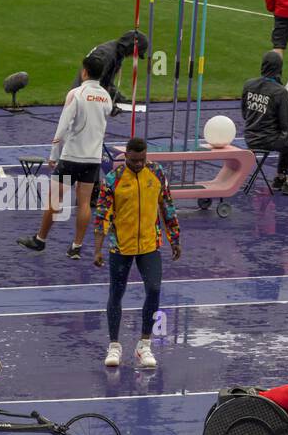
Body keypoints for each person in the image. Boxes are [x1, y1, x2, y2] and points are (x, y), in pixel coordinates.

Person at [92, 138, 181, 369]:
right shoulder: (113, 179)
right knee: (116, 293)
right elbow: (102, 214)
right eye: (134, 160)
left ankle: (144, 344)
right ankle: (114, 345)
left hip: (150, 244)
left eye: (142, 159)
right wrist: (97, 248)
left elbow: (167, 206)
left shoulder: (157, 173)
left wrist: (174, 238)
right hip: (121, 246)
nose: (139, 164)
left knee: (154, 289)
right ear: (126, 156)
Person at [19, 53, 112, 258]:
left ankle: (40, 240)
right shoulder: (106, 97)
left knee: (55, 199)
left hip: (71, 156)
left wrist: (54, 154)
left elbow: (62, 127)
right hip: (93, 158)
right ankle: (76, 246)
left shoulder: (75, 94)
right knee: (85, 203)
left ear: (84, 71)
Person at [241, 51, 288, 196]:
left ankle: (281, 177)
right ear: (279, 68)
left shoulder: (248, 85)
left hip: (250, 137)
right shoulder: (280, 92)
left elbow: (245, 114)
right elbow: (284, 124)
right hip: (268, 139)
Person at [76, 30, 148, 114]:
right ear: (130, 47)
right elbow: (93, 84)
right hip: (83, 100)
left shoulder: (116, 53)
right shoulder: (107, 55)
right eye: (135, 53)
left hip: (86, 95)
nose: (133, 56)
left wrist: (116, 97)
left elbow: (106, 81)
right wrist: (109, 105)